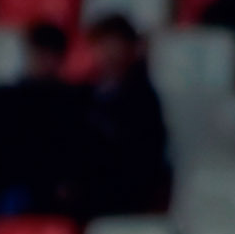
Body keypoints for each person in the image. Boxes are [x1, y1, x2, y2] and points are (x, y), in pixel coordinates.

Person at [0, 17, 94, 216]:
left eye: (50, 54)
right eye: (38, 53)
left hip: (32, 188)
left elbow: (74, 154)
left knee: (14, 204)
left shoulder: (72, 103)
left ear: (60, 58)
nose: (43, 60)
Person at [72, 14, 175, 219]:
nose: (109, 53)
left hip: (127, 196)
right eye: (103, 45)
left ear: (130, 48)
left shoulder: (143, 98)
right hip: (86, 195)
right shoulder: (81, 95)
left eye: (115, 44)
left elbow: (148, 152)